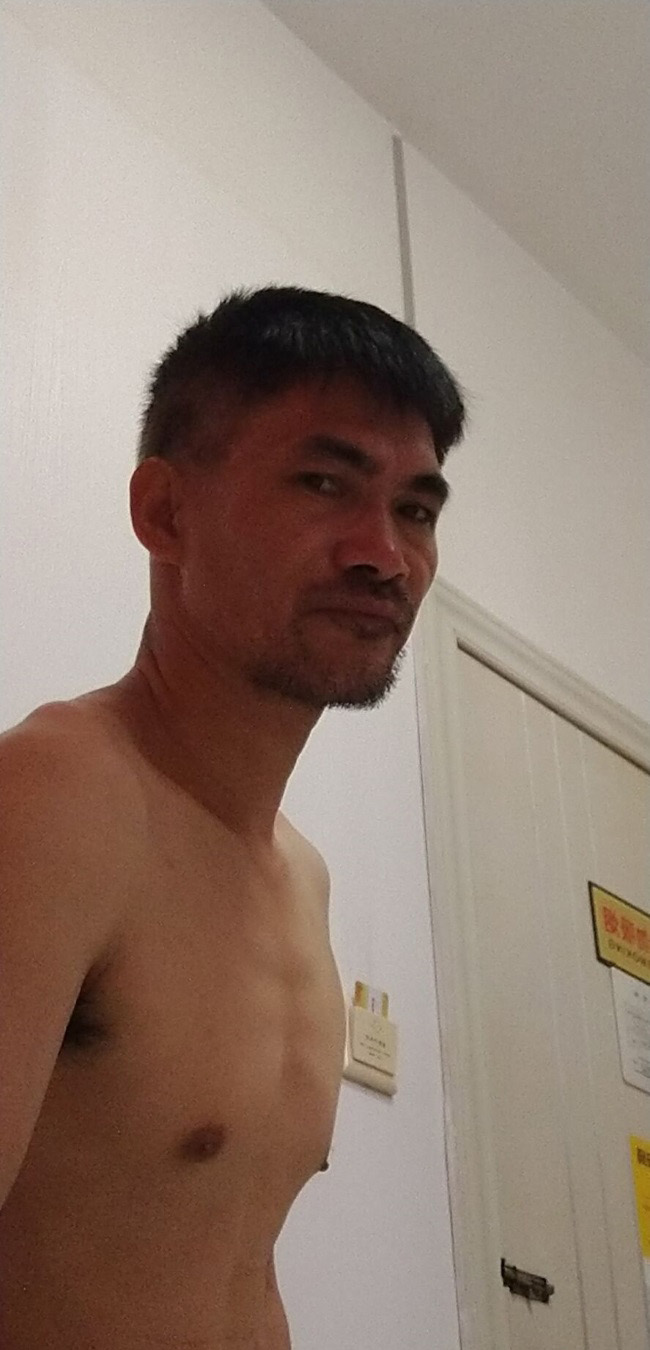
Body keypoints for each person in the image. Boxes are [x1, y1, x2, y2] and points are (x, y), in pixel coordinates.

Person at [0, 285, 465, 1348]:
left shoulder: (301, 875)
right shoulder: (53, 802)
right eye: (323, 483)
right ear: (165, 513)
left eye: (415, 509)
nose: (384, 555)